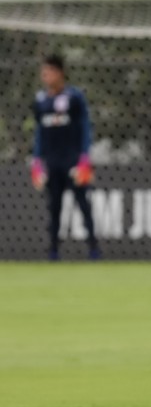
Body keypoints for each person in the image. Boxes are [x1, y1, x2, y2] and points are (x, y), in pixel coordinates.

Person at [31, 54, 100, 260]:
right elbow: (39, 132)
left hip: (73, 160)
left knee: (83, 204)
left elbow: (85, 127)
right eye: (43, 73)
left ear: (59, 73)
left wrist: (85, 158)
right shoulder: (41, 100)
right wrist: (36, 161)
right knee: (54, 206)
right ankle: (53, 251)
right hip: (52, 161)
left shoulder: (74, 97)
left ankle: (93, 249)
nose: (45, 76)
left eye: (49, 72)